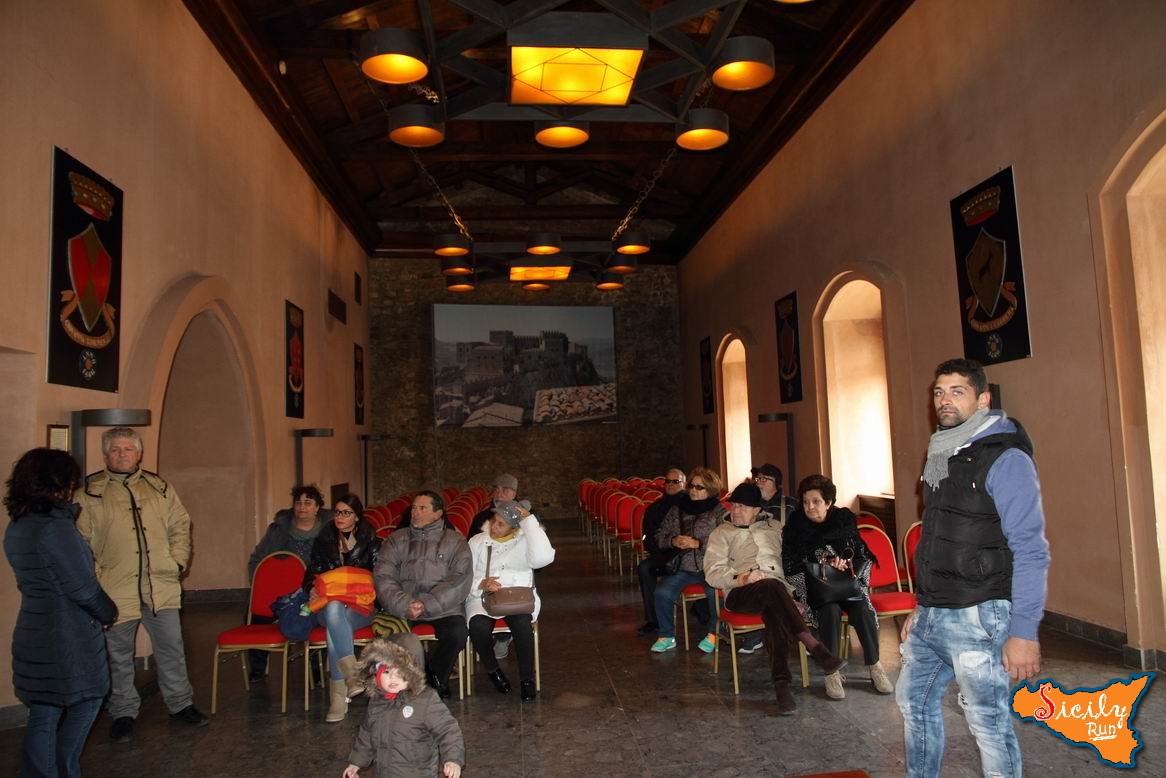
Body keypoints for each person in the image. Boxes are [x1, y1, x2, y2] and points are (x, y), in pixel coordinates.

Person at [898, 359, 1050, 777]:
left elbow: (1031, 549)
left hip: (979, 612)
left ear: (983, 400)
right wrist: (921, 605)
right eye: (939, 392)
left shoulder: (1007, 459)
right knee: (913, 703)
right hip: (933, 611)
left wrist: (1024, 632)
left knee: (987, 722)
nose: (944, 401)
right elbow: (935, 538)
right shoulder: (941, 451)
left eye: (957, 391)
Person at [74, 427, 208, 743]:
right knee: (118, 655)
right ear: (105, 455)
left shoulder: (158, 488)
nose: (122, 455)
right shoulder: (89, 494)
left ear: (139, 454)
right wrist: (97, 579)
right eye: (115, 449)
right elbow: (81, 543)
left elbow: (180, 525)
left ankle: (180, 703)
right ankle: (123, 712)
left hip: (160, 585)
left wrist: (177, 562)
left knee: (171, 648)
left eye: (128, 449)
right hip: (115, 590)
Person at [5, 448, 118, 777]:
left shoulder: (19, 525)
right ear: (57, 483)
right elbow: (82, 588)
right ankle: (65, 769)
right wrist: (107, 613)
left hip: (34, 629)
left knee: (45, 711)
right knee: (88, 700)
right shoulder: (55, 528)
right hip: (65, 635)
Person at [704, 482, 846, 715]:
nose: (736, 510)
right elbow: (712, 573)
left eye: (743, 506)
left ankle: (782, 688)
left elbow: (793, 562)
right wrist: (743, 578)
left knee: (774, 611)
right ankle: (815, 647)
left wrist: (793, 595)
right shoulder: (721, 533)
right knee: (770, 587)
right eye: (734, 505)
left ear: (757, 510)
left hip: (777, 592)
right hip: (740, 593)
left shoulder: (775, 528)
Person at [782, 474, 893, 700]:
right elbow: (790, 567)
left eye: (816, 501)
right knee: (829, 610)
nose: (810, 507)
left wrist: (846, 564)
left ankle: (875, 666)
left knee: (861, 607)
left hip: (847, 585)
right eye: (805, 502)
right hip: (816, 590)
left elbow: (862, 556)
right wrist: (821, 566)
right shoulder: (795, 526)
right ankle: (831, 672)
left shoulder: (843, 520)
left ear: (829, 502)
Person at [375, 490, 472, 700]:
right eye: (413, 508)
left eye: (422, 508)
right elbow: (384, 577)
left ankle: (433, 678)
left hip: (444, 607)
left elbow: (459, 580)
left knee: (457, 634)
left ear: (438, 514)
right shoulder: (396, 540)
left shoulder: (455, 541)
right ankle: (423, 683)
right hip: (404, 606)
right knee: (394, 637)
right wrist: (405, 604)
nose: (415, 513)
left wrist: (427, 603)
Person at [465, 500, 556, 702]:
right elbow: (465, 576)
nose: (494, 527)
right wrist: (481, 583)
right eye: (494, 521)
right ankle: (493, 670)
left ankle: (526, 679)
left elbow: (543, 559)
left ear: (514, 528)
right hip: (482, 597)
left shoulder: (525, 540)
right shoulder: (477, 541)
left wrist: (529, 522)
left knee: (522, 625)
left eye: (501, 524)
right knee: (478, 626)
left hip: (517, 598)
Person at [303, 492, 379, 723]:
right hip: (327, 606)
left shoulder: (372, 542)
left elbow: (381, 578)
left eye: (346, 512)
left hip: (360, 607)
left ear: (357, 517)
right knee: (335, 608)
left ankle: (338, 698)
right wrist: (311, 588)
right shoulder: (323, 541)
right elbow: (310, 574)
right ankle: (352, 674)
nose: (340, 517)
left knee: (334, 627)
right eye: (337, 512)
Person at [343, 636, 465, 778]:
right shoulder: (376, 701)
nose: (393, 678)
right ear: (377, 674)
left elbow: (448, 730)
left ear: (412, 674)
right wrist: (355, 763)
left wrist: (452, 759)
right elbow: (366, 735)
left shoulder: (425, 700)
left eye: (400, 672)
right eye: (387, 672)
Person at [246, 484, 329, 682]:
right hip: (281, 592)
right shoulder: (278, 531)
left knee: (320, 616)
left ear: (317, 507)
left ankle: (316, 667)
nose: (302, 507)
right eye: (298, 502)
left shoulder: (328, 531)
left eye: (308, 502)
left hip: (312, 591)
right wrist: (261, 588)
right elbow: (257, 560)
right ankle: (257, 667)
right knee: (258, 614)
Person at [650, 467, 725, 654]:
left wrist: (699, 543)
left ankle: (714, 634)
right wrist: (673, 540)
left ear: (710, 490)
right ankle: (667, 636)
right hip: (683, 567)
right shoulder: (677, 509)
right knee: (662, 591)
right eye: (691, 485)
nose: (693, 490)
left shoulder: (718, 511)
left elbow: (727, 540)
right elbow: (659, 535)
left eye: (699, 487)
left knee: (715, 593)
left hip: (710, 566)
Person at [468, 473, 522, 659]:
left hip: (515, 581)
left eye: (504, 490)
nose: (498, 494)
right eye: (496, 489)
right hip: (486, 579)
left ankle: (503, 637)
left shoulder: (525, 517)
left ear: (514, 493)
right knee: (479, 616)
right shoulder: (482, 518)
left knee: (517, 613)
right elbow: (471, 553)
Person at [634, 468, 688, 637]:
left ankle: (703, 612)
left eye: (675, 481)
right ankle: (653, 620)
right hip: (663, 554)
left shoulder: (691, 505)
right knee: (644, 568)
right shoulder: (654, 508)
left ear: (684, 484)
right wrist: (660, 552)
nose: (671, 485)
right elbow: (647, 537)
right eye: (668, 481)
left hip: (687, 554)